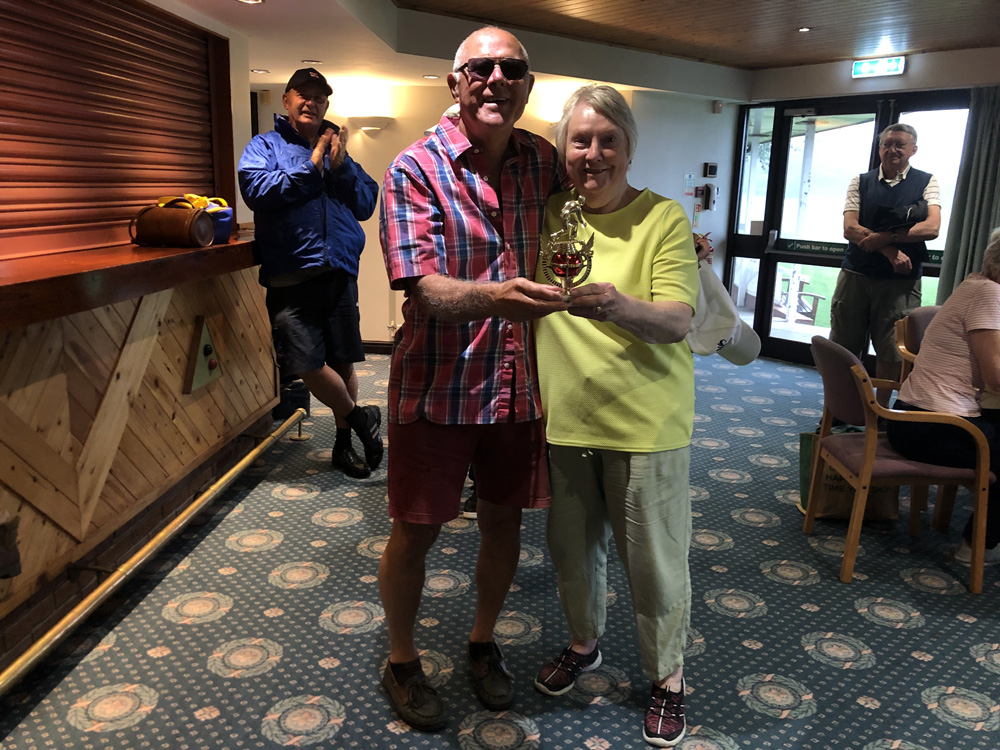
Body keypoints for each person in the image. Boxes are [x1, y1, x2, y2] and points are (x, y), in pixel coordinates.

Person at [377, 27, 567, 731]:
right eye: (479, 67)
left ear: (526, 84)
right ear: (453, 83)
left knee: (503, 523)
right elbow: (423, 289)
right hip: (439, 382)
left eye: (511, 68)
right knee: (416, 531)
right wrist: (496, 296)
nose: (495, 78)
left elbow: (595, 217)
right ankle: (401, 658)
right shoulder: (413, 169)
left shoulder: (542, 159)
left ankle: (482, 642)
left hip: (519, 385)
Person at [533, 84, 700, 748]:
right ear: (563, 150)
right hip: (566, 418)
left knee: (655, 562)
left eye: (608, 140)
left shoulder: (663, 218)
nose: (593, 153)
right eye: (581, 140)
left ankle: (668, 675)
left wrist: (616, 305)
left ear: (628, 148)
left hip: (644, 421)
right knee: (571, 552)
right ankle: (584, 643)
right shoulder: (548, 215)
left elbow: (677, 320)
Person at [238, 68, 383, 480]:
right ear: (286, 100)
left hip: (337, 271)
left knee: (343, 361)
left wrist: (339, 167)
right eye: (303, 94)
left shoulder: (341, 153)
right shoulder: (264, 147)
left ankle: (344, 444)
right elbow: (258, 192)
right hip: (290, 276)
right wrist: (314, 163)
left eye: (319, 97)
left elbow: (365, 203)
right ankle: (360, 418)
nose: (311, 102)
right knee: (305, 362)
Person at [886, 227, 1000, 564]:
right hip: (930, 428)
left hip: (915, 418)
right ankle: (979, 545)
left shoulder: (976, 285)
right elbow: (995, 377)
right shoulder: (989, 296)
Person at [831, 123, 941, 404]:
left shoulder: (927, 182)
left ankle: (878, 411)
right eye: (886, 144)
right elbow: (850, 229)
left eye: (900, 145)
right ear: (879, 149)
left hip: (901, 283)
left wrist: (886, 236)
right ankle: (843, 408)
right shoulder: (861, 181)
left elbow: (932, 228)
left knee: (892, 351)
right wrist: (889, 249)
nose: (892, 150)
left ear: (913, 150)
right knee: (844, 347)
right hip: (856, 274)